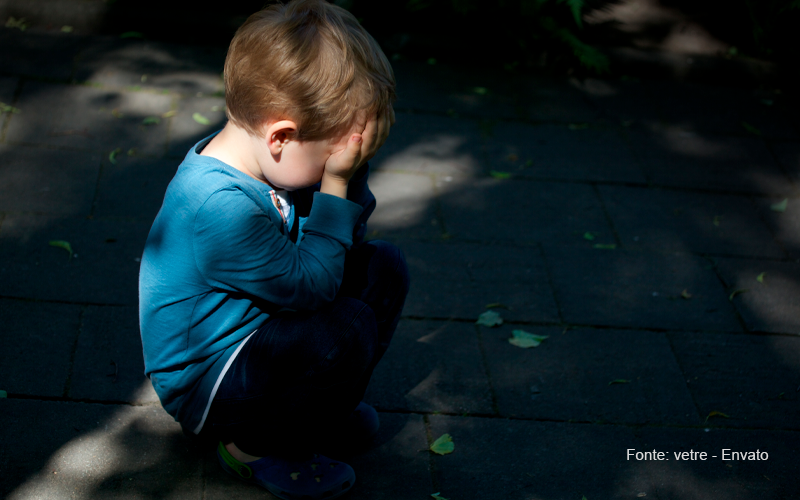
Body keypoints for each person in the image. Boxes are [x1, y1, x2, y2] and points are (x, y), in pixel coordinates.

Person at [138, 1, 408, 498]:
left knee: (384, 268)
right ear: (281, 135)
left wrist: (345, 172)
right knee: (343, 331)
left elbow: (349, 244)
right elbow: (314, 288)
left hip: (265, 325)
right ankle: (254, 445)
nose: (342, 165)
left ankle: (317, 411)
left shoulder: (266, 158)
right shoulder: (218, 207)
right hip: (212, 382)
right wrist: (337, 182)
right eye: (336, 155)